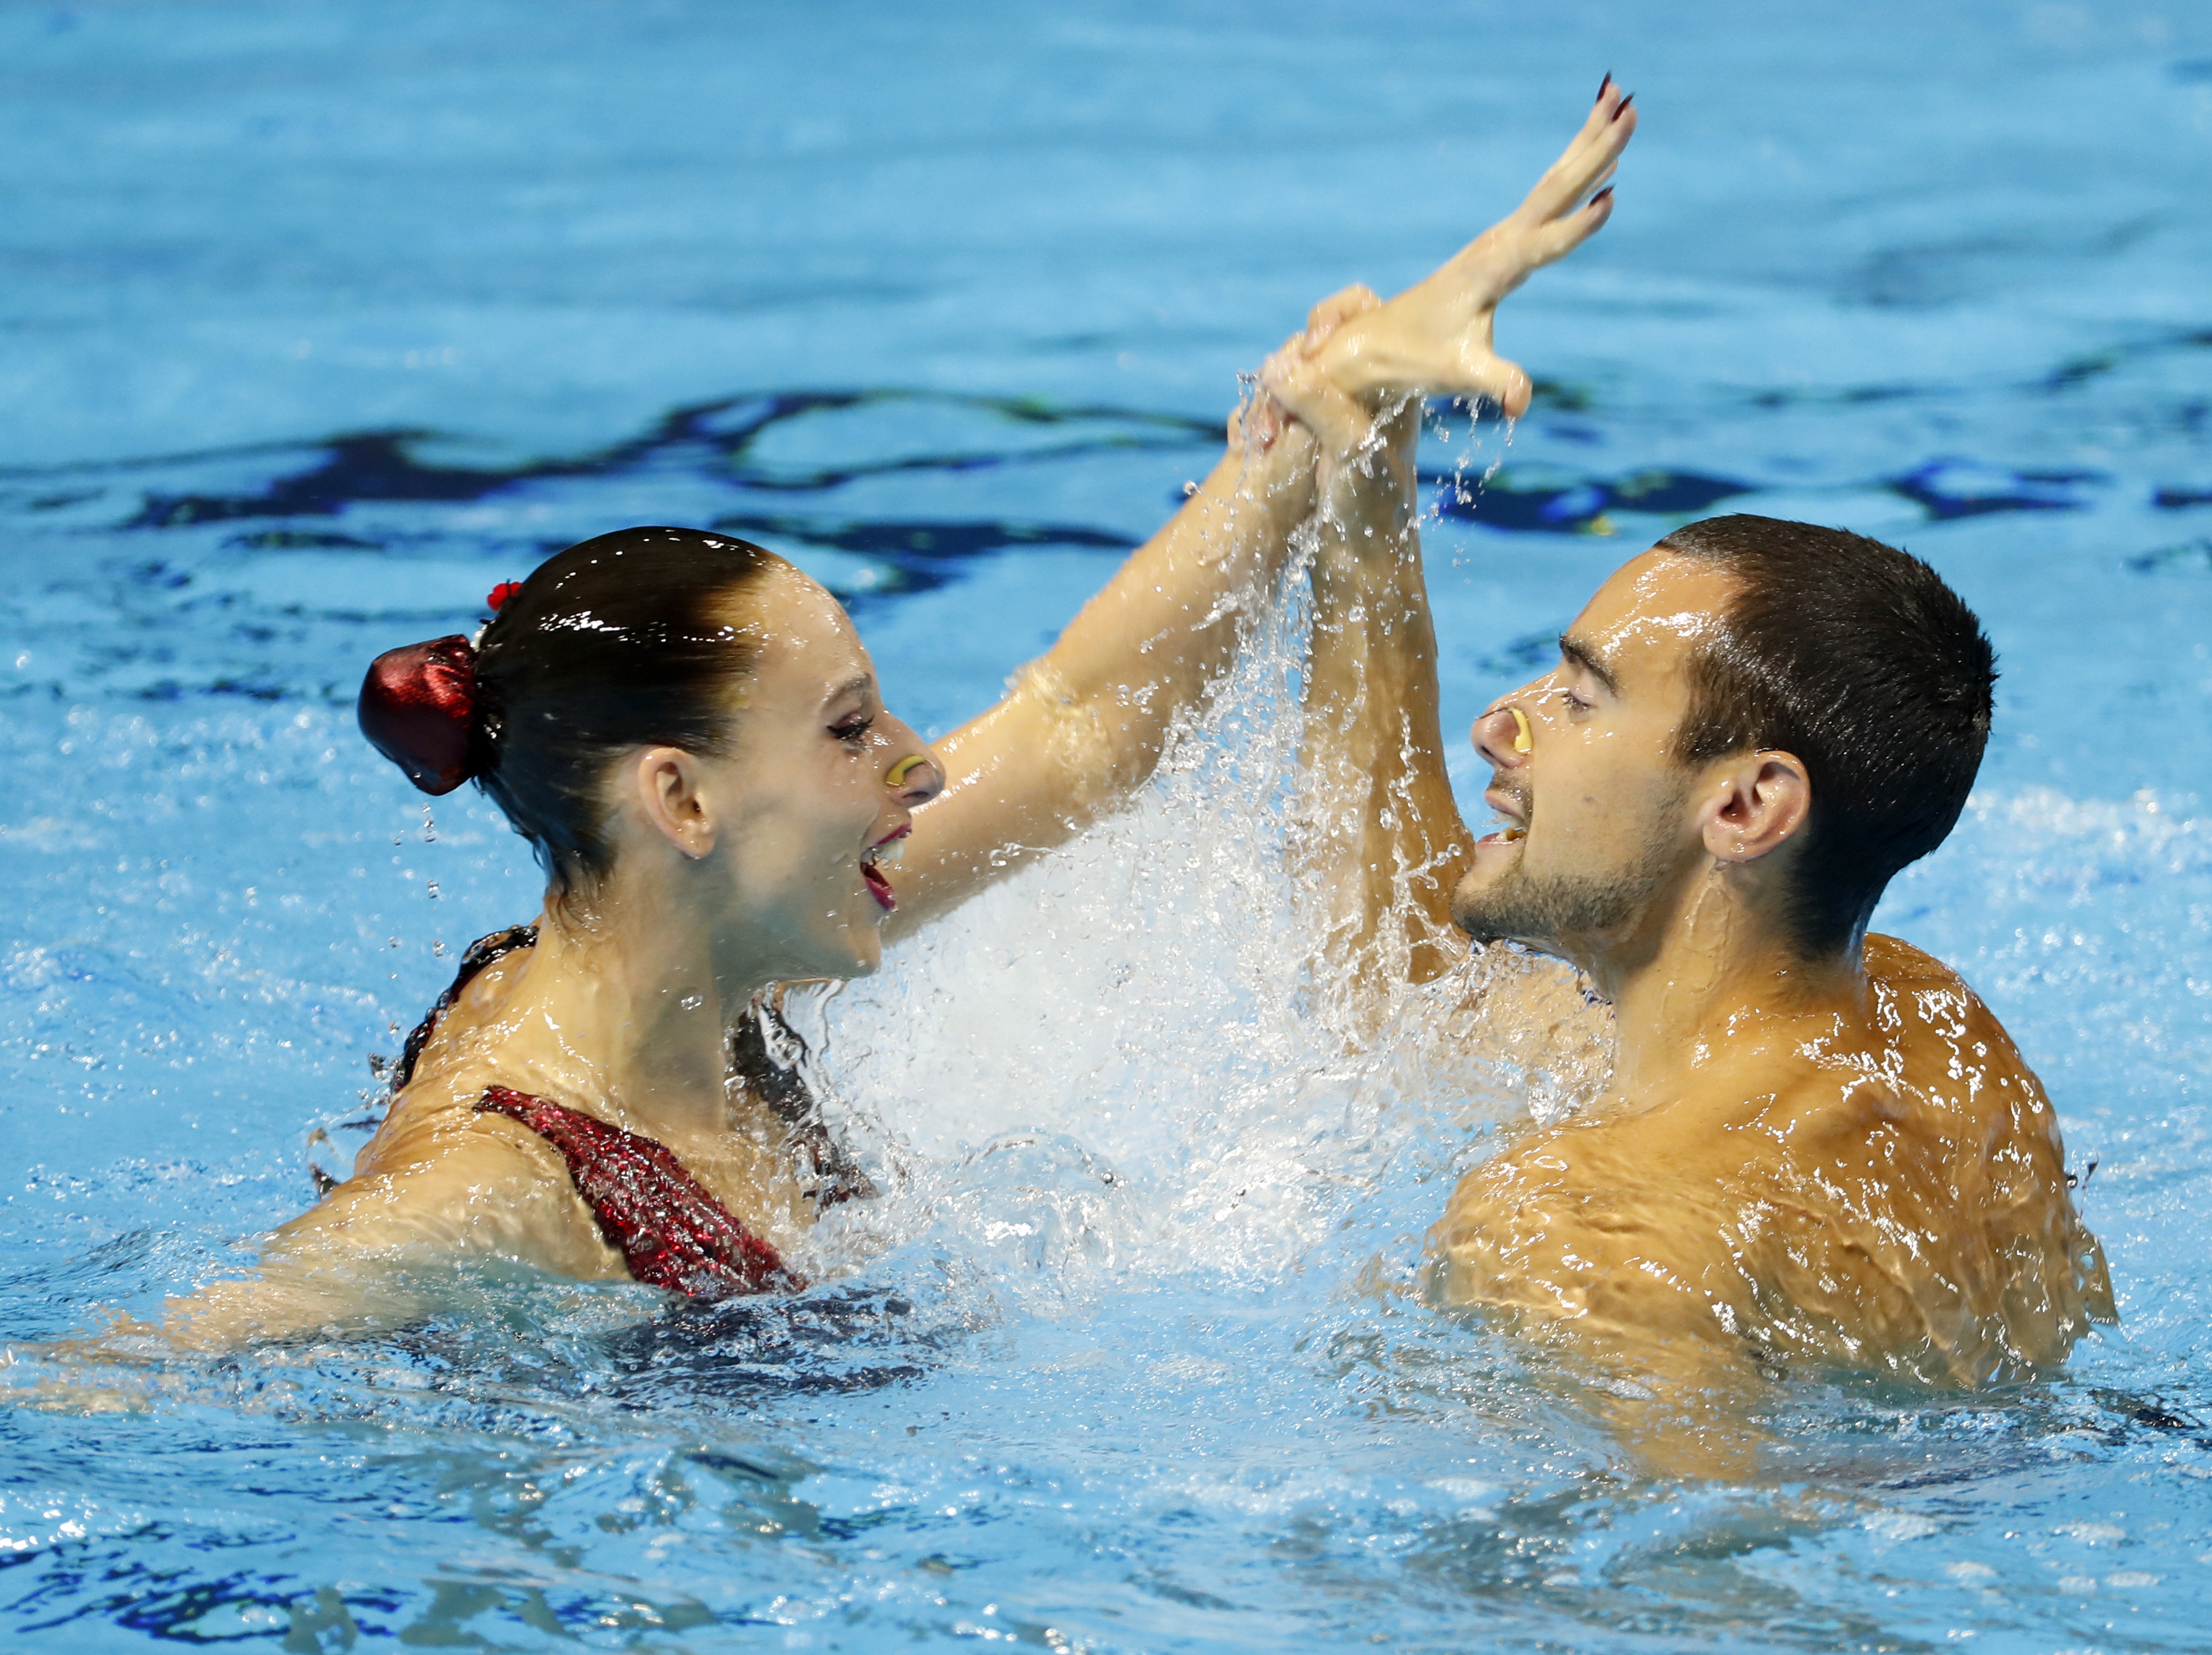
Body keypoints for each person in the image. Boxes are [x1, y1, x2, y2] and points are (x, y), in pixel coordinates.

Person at [85, 84, 1640, 1347]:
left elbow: (1087, 718)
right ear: (682, 800)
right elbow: (145, 1371)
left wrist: (1331, 417)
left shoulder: (704, 951)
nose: (916, 759)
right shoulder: (491, 1180)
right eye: (847, 729)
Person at [1258, 292, 2116, 1420]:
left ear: (1749, 806)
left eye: (1578, 696)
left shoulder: (1573, 1229)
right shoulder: (1934, 1034)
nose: (1501, 726)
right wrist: (1365, 504)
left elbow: (1705, 1585)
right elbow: (1412, 984)